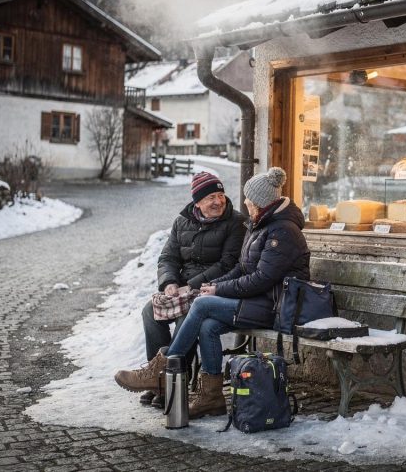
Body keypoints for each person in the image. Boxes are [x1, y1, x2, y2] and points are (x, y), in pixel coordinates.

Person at [114, 167, 311, 419]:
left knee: (202, 305)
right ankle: (212, 397)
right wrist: (193, 284)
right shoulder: (262, 225)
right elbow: (241, 267)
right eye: (211, 198)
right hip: (257, 301)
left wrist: (214, 288)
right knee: (206, 325)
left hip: (276, 307)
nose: (244, 203)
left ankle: (163, 370)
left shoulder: (281, 231)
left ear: (261, 202)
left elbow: (260, 279)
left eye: (249, 199)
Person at [119, 171, 245, 408]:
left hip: (212, 288)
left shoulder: (235, 223)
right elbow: (168, 257)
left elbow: (228, 264)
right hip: (182, 288)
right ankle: (157, 381)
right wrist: (169, 283)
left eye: (221, 195)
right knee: (150, 312)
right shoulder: (182, 221)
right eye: (211, 197)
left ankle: (174, 378)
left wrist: (192, 286)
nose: (218, 201)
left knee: (188, 316)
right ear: (197, 202)